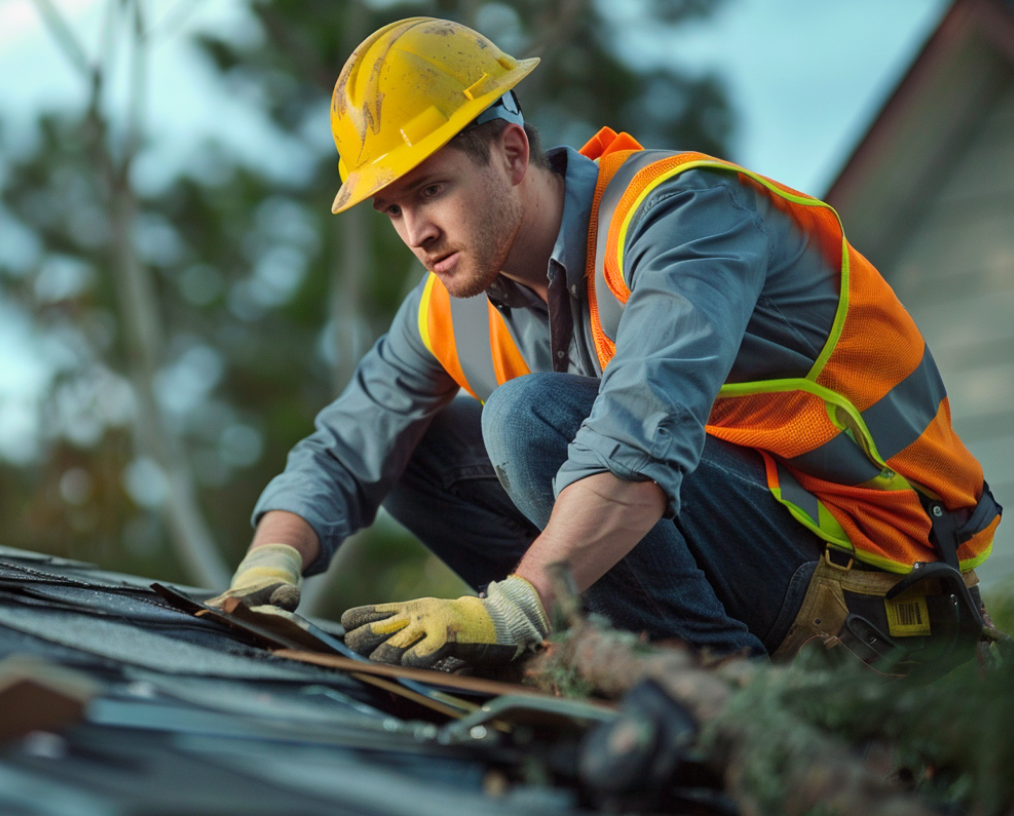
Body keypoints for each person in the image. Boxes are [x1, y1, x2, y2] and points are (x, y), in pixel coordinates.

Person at [207, 17, 999, 672]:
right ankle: (592, 654)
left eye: (430, 189)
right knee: (406, 445)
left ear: (512, 153)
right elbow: (350, 442)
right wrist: (272, 560)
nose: (416, 231)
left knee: (533, 418)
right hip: (739, 552)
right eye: (391, 209)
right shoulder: (451, 305)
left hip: (877, 579)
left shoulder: (681, 216)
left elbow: (636, 437)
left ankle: (730, 687)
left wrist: (515, 605)